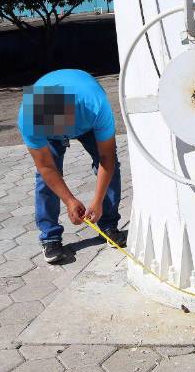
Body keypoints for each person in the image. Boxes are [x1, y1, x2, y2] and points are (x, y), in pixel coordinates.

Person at [18, 69, 123, 263]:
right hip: (51, 115)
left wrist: (98, 201)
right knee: (46, 178)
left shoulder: (95, 104)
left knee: (111, 166)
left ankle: (109, 225)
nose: (62, 135)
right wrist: (69, 200)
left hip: (87, 123)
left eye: (61, 127)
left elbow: (107, 158)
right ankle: (50, 237)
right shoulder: (29, 116)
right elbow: (46, 167)